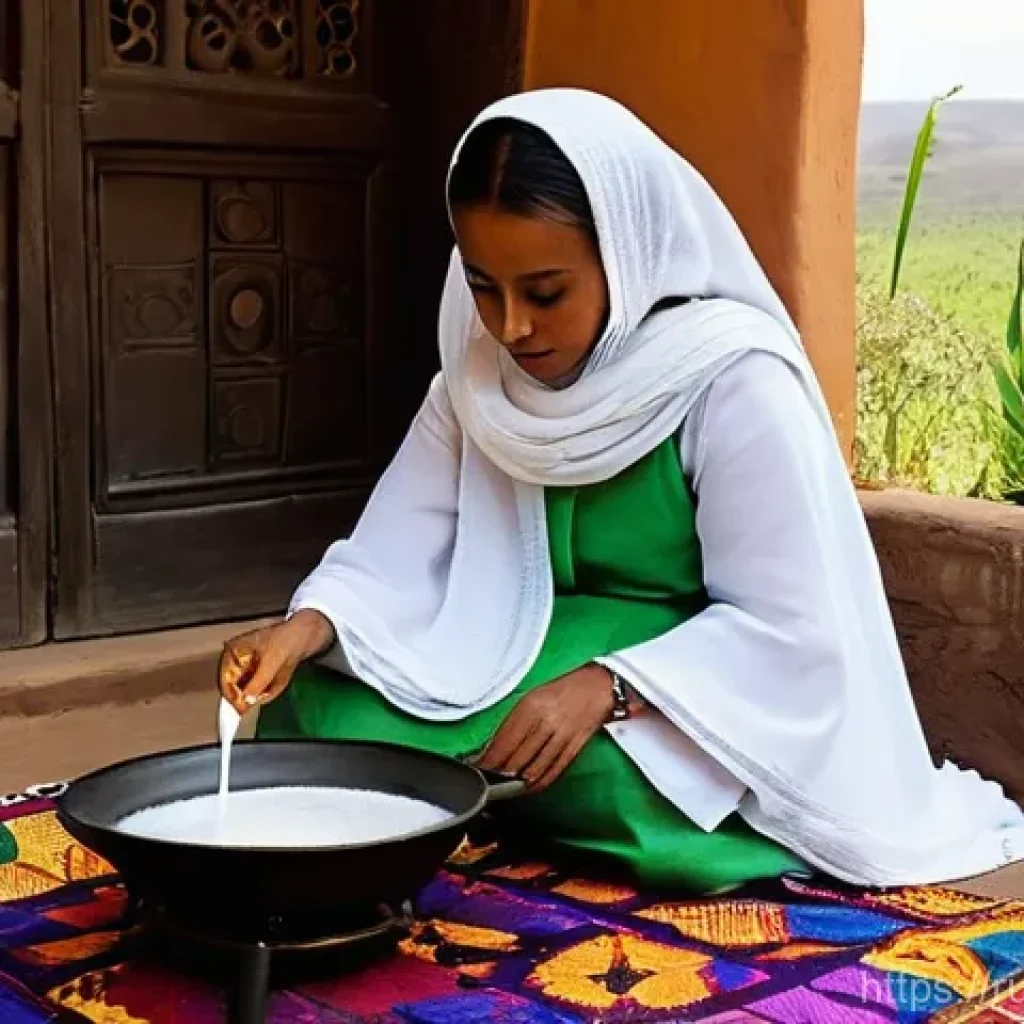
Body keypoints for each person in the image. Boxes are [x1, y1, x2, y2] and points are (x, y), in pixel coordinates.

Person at [219, 88, 1024, 891]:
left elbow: (793, 628)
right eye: (483, 285)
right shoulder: (477, 371)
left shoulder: (730, 380)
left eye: (545, 292)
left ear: (630, 253)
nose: (511, 327)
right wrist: (313, 624)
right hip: (505, 633)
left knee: (615, 780)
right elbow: (404, 538)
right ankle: (492, 797)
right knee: (311, 711)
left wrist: (610, 687)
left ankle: (491, 802)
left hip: (684, 675)